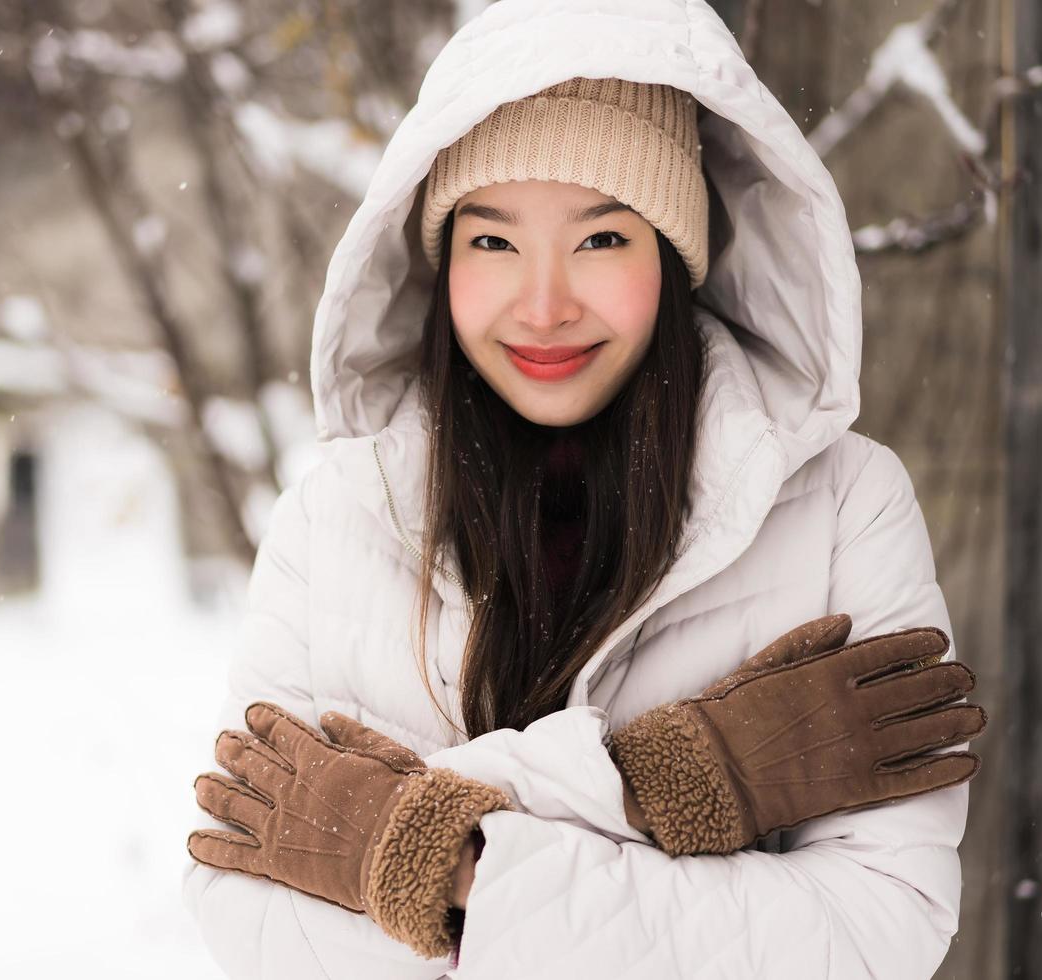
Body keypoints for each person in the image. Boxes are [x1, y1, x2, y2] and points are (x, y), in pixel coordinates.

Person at [182, 1, 988, 976]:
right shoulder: (335, 517)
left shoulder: (843, 505)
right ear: (439, 261)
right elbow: (247, 911)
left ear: (671, 251)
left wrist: (426, 856)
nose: (545, 302)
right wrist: (656, 788)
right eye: (492, 242)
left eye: (602, 239)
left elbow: (878, 928)